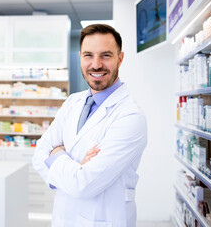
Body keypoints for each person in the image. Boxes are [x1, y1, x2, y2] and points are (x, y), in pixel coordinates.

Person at [32, 24, 147, 227]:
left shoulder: (130, 116)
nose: (96, 64)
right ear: (80, 58)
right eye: (88, 55)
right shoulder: (72, 103)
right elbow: (39, 153)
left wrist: (57, 154)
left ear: (120, 59)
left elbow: (83, 184)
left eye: (105, 55)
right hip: (63, 218)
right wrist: (73, 168)